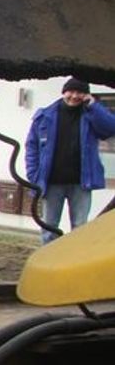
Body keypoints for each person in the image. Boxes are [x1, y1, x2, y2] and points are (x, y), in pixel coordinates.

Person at [24, 77, 115, 243]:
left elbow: (111, 128)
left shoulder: (90, 114)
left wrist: (94, 106)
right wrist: (33, 174)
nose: (74, 96)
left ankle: (77, 258)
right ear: (64, 92)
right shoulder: (45, 115)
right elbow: (31, 147)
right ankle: (49, 258)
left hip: (81, 183)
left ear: (86, 95)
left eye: (79, 92)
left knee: (80, 228)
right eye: (71, 91)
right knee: (49, 228)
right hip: (51, 183)